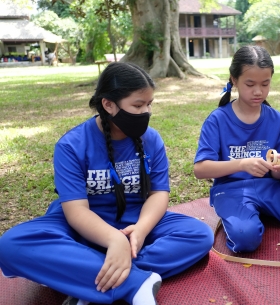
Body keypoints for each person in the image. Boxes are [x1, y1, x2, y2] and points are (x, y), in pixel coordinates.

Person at [0, 62, 214, 305]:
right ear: (108, 105)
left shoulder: (152, 139)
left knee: (198, 234)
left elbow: (158, 193)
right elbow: (76, 210)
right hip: (83, 225)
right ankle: (135, 282)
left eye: (149, 104)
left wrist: (141, 229)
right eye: (137, 105)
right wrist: (114, 240)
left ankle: (89, 275)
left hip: (135, 220)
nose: (146, 112)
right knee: (11, 245)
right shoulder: (71, 146)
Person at [193, 46, 280, 253]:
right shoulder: (218, 119)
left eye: (265, 84)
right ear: (234, 79)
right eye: (250, 84)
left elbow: (278, 173)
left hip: (271, 187)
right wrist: (241, 164)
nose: (258, 91)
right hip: (232, 190)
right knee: (245, 240)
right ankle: (247, 217)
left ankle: (262, 211)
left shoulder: (275, 118)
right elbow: (200, 169)